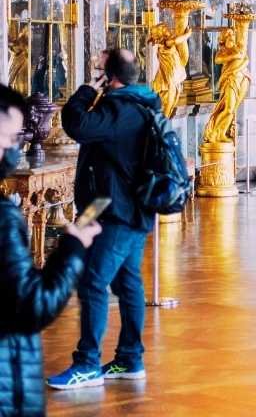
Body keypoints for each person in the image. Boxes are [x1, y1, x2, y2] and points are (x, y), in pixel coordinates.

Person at [50, 49, 160, 389]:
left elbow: (76, 124)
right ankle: (130, 359)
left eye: (98, 68)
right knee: (127, 282)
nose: (95, 72)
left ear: (109, 77)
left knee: (93, 282)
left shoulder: (121, 108)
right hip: (108, 204)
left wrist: (87, 89)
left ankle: (87, 364)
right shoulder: (136, 103)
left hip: (117, 210)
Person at [0, 83, 101, 412]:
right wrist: (72, 248)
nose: (14, 148)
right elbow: (33, 304)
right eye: (10, 138)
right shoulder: (2, 218)